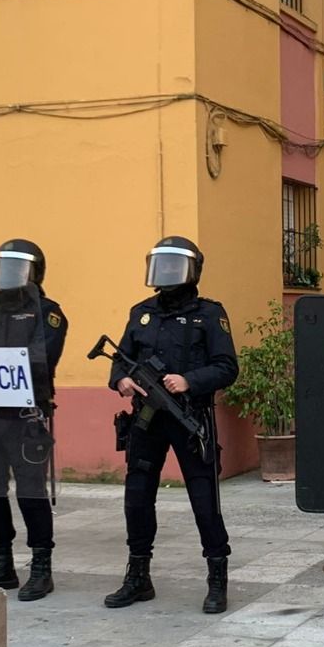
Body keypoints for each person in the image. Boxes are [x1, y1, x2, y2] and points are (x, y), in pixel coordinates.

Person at [103, 236, 238, 614]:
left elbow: (227, 367)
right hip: (147, 420)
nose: (165, 272)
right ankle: (138, 576)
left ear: (192, 269)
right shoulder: (141, 312)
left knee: (203, 500)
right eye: (159, 264)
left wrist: (189, 381)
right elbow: (122, 359)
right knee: (138, 497)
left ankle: (217, 578)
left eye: (173, 265)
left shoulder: (208, 314)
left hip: (189, 417)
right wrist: (121, 381)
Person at [0, 239, 68, 601]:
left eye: (14, 268)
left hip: (26, 418)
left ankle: (41, 567)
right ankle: (2, 564)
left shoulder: (47, 313)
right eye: (1, 267)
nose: (6, 276)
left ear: (33, 272)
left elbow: (43, 359)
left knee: (30, 493)